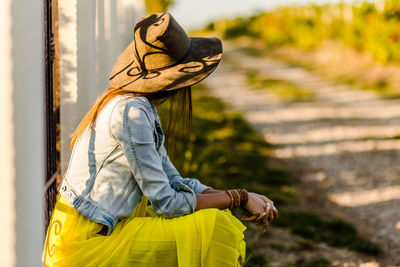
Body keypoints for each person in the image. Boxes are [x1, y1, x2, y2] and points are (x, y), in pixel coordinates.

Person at [42, 13, 278, 267]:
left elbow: (173, 182)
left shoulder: (136, 106)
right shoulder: (131, 113)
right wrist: (238, 198)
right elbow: (167, 203)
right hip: (83, 244)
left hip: (98, 230)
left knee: (210, 217)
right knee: (213, 228)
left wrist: (242, 196)